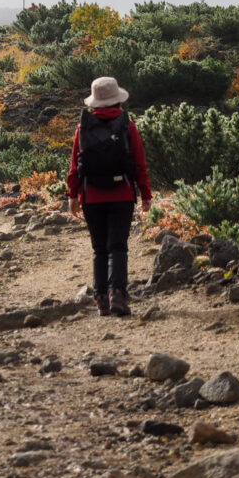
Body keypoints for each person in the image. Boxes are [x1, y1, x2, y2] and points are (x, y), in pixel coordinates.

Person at [67, 76, 152, 317]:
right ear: (117, 100)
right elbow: (139, 164)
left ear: (94, 103)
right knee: (118, 247)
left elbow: (74, 165)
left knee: (99, 249)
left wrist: (73, 194)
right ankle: (117, 294)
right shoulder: (127, 125)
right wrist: (145, 194)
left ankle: (101, 298)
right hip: (122, 195)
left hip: (91, 197)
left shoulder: (83, 128)